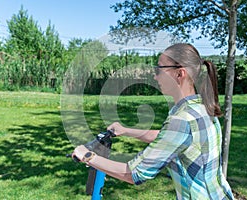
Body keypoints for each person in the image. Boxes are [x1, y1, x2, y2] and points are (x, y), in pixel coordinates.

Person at [73, 43, 234, 199]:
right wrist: (125, 130)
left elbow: (133, 173)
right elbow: (169, 137)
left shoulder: (181, 119)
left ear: (180, 74)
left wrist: (87, 156)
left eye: (159, 69)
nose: (155, 75)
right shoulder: (200, 106)